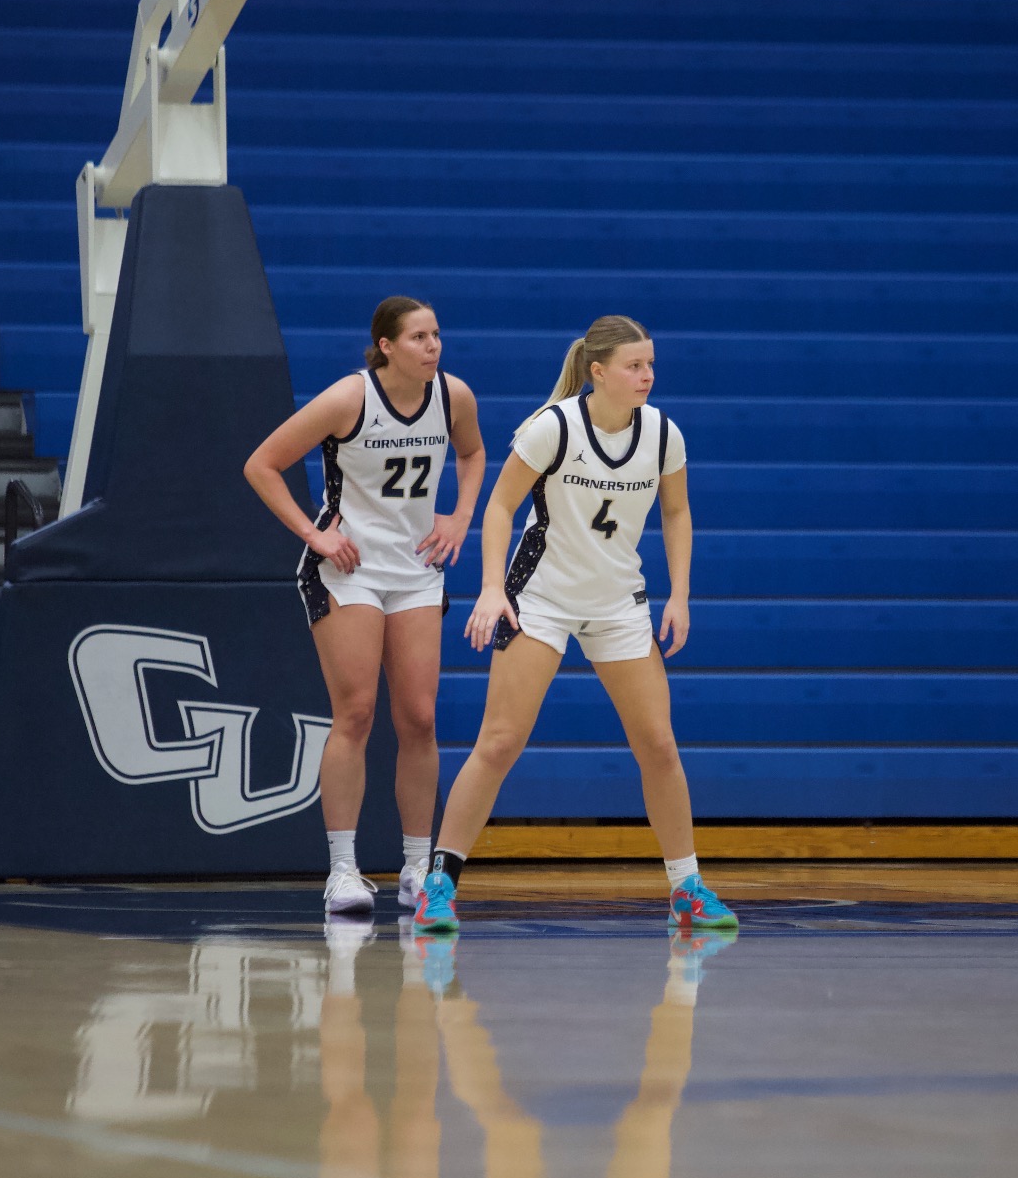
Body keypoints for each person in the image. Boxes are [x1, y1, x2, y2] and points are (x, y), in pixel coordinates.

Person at [411, 315, 736, 935]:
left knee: (660, 745)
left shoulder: (664, 433)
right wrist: (488, 589)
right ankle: (439, 884)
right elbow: (501, 505)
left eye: (650, 364)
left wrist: (680, 595)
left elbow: (677, 511)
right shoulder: (553, 427)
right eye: (635, 365)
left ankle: (687, 887)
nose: (648, 375)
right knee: (500, 742)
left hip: (618, 601)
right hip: (541, 596)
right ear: (598, 371)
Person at [244, 297, 485, 914]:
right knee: (354, 713)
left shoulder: (453, 395)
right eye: (419, 337)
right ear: (385, 346)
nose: (433, 346)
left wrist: (459, 517)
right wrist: (314, 533)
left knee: (421, 719)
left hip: (415, 570)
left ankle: (415, 868)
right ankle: (344, 871)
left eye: (437, 335)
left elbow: (473, 453)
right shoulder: (349, 400)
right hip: (348, 569)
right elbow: (262, 464)